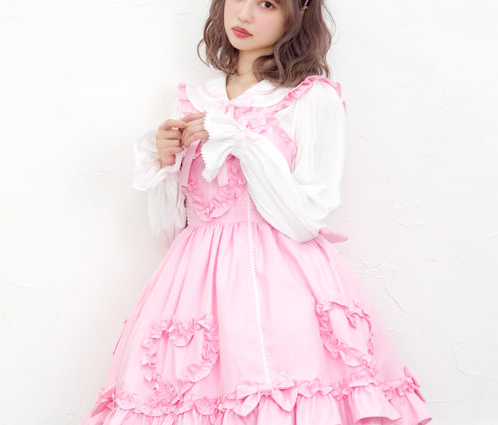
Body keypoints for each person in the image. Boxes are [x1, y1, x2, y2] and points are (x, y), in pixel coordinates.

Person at [79, 0, 433, 424]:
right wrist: (166, 162)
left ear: (297, 12)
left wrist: (241, 141)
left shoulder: (310, 97)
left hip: (287, 285)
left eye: (267, 3)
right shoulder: (192, 101)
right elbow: (171, 230)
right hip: (195, 287)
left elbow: (307, 218)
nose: (244, 15)